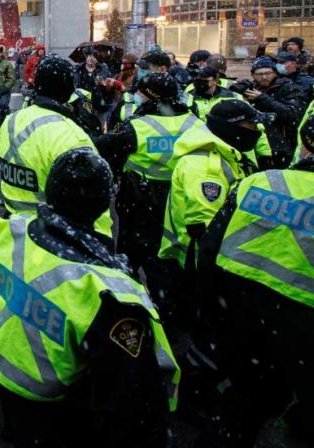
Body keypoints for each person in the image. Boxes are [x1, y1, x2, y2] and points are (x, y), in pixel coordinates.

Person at [0, 149, 178, 448]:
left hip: (8, 380)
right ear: (103, 205)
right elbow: (134, 406)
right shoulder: (110, 294)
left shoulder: (12, 230)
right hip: (60, 411)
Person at [195, 118, 314, 447]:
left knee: (243, 401)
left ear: (305, 143)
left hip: (243, 307)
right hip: (304, 325)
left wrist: (206, 306)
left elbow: (209, 247)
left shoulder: (260, 182)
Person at [0, 56, 105, 228]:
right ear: (70, 89)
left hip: (9, 236)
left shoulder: (14, 120)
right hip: (50, 239)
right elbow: (94, 213)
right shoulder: (73, 137)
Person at [156, 100, 261, 325]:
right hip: (195, 265)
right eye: (251, 126)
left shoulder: (227, 154)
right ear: (231, 128)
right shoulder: (206, 167)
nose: (257, 131)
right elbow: (204, 227)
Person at [93, 73, 201, 273]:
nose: (137, 95)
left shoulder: (138, 127)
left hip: (139, 201)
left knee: (130, 258)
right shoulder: (195, 123)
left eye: (140, 92)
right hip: (181, 199)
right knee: (169, 259)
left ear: (150, 96)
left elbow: (103, 148)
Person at [236, 56, 305, 167]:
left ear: (275, 73)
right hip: (256, 145)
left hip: (282, 147)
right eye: (259, 74)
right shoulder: (252, 88)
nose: (264, 77)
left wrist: (263, 99)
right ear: (253, 75)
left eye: (268, 73)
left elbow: (293, 115)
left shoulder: (288, 87)